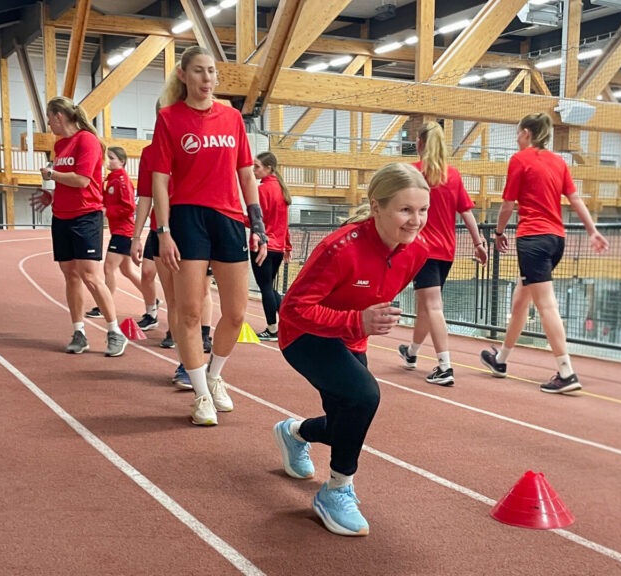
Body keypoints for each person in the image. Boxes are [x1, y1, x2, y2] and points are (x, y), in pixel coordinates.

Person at [272, 162, 430, 537]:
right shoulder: (338, 249)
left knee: (347, 420)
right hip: (303, 337)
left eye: (423, 210)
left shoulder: (417, 252)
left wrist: (358, 327)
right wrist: (356, 321)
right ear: (376, 207)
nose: (416, 220)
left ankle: (294, 432)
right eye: (405, 210)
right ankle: (336, 490)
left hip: (349, 337)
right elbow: (293, 310)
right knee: (364, 396)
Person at [148, 46, 268, 425]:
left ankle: (214, 377)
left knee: (235, 312)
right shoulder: (169, 119)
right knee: (189, 310)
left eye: (211, 72)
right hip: (187, 219)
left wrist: (259, 226)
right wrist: (163, 233)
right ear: (183, 75)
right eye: (199, 71)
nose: (207, 78)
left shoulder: (232, 118)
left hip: (229, 218)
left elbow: (247, 175)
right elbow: (160, 182)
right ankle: (200, 395)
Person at [478, 112, 608, 394]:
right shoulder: (558, 162)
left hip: (533, 239)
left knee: (546, 304)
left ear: (526, 133)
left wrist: (499, 233)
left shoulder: (520, 160)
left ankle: (566, 372)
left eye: (517, 133)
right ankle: (500, 360)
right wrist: (592, 231)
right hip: (555, 238)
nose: (516, 138)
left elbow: (508, 204)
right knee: (520, 300)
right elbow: (574, 199)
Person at [31, 96, 127, 357]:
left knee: (90, 276)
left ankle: (114, 331)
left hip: (86, 216)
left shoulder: (87, 140)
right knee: (70, 274)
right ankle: (79, 331)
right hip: (61, 216)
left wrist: (52, 175)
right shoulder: (59, 145)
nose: (49, 124)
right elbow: (64, 181)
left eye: (50, 119)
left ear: (59, 116)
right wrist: (49, 194)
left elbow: (83, 180)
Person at [396, 121, 487, 386]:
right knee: (427, 305)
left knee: (432, 305)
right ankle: (411, 353)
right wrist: (479, 242)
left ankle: (445, 367)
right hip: (447, 250)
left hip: (420, 249)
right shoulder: (453, 175)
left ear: (420, 144)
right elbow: (466, 212)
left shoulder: (412, 173)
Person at [131, 138, 216, 389]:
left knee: (199, 295)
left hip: (198, 229)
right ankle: (187, 364)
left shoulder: (202, 145)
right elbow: (146, 196)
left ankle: (202, 346)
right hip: (163, 232)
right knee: (175, 302)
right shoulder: (150, 153)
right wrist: (136, 236)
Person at [85, 146, 158, 328]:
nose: (108, 161)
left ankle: (104, 306)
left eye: (112, 158)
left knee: (109, 268)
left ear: (122, 161)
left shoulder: (123, 181)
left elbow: (129, 207)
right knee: (126, 271)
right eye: (107, 157)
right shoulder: (110, 179)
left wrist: (107, 211)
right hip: (117, 230)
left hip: (123, 232)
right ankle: (153, 299)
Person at [250, 151, 293, 341]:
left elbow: (256, 220)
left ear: (269, 168)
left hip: (264, 244)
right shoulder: (282, 191)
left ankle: (272, 328)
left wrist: (233, 217)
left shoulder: (262, 190)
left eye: (257, 166)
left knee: (265, 288)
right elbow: (284, 223)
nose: (253, 170)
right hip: (278, 247)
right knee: (269, 287)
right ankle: (289, 320)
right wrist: (287, 247)